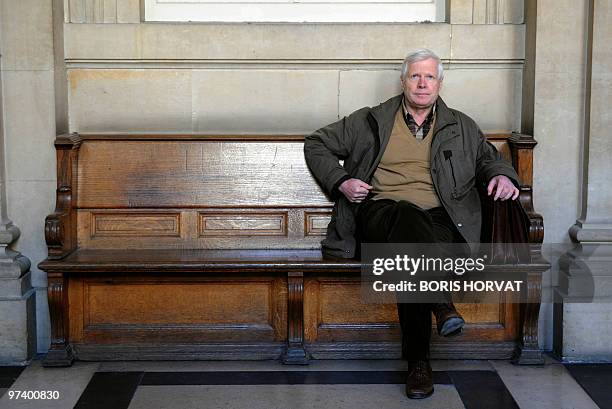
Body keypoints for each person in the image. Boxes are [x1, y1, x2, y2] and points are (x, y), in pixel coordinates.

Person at [304, 49, 520, 399]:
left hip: (441, 218)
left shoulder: (461, 125)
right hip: (380, 212)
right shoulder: (371, 120)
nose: (422, 84)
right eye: (415, 76)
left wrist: (503, 177)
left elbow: (489, 160)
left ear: (439, 83)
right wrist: (341, 180)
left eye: (429, 77)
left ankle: (419, 362)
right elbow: (316, 143)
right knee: (406, 216)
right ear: (403, 81)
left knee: (413, 255)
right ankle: (439, 305)